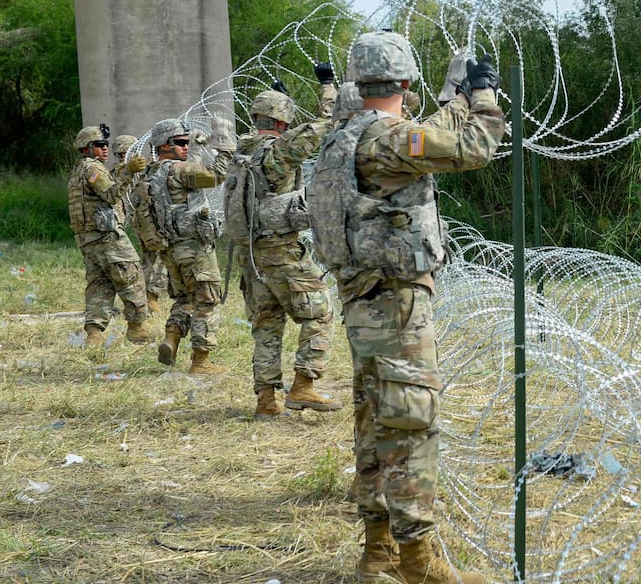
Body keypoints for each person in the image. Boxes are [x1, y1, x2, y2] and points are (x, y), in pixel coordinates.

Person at [308, 31, 505, 584]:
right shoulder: (387, 141)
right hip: (395, 300)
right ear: (405, 81)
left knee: (376, 418)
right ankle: (418, 559)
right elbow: (473, 146)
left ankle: (378, 553)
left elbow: (431, 134)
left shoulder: (344, 135)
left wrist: (452, 98)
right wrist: (483, 95)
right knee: (412, 420)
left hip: (360, 299)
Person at [224, 63, 341, 419]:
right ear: (283, 123)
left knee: (267, 323)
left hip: (250, 254)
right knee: (320, 312)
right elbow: (328, 121)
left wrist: (283, 98)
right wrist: (327, 85)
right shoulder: (279, 151)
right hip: (280, 250)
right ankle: (304, 385)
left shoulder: (241, 152)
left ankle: (265, 400)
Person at [131, 115, 236, 374]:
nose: (185, 146)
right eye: (179, 142)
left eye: (186, 142)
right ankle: (201, 361)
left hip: (170, 251)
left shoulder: (148, 175)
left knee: (184, 300)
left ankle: (172, 338)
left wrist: (199, 150)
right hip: (194, 250)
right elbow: (216, 175)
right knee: (207, 300)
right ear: (164, 145)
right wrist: (223, 142)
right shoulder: (177, 170)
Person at [67, 124, 156, 347]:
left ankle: (94, 334)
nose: (105, 149)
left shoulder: (79, 170)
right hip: (106, 237)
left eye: (106, 145)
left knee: (99, 284)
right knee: (131, 274)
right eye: (99, 145)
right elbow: (110, 194)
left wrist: (124, 170)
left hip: (88, 240)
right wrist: (129, 172)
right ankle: (137, 327)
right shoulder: (92, 169)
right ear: (87, 149)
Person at [113, 133, 170, 312]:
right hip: (144, 221)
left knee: (151, 258)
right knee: (161, 256)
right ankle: (150, 296)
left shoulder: (140, 170)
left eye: (127, 153)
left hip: (146, 219)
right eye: (121, 154)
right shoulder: (123, 173)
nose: (124, 157)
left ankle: (146, 297)